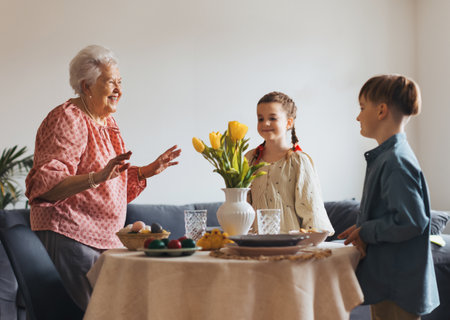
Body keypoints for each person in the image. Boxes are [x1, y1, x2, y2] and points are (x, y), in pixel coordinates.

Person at [25, 45, 181, 311]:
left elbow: (111, 184)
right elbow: (45, 187)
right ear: (86, 87)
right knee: (100, 313)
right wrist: (96, 177)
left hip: (103, 239)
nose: (119, 90)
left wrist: (145, 171)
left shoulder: (106, 122)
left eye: (120, 82)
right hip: (71, 235)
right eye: (111, 82)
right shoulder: (69, 119)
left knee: (116, 311)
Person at [338, 75, 439, 319]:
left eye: (362, 108)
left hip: (397, 286)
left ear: (381, 110)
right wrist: (361, 228)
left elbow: (412, 221)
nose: (358, 116)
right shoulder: (388, 157)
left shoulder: (395, 161)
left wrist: (366, 231)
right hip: (388, 281)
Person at [245, 91, 334, 235]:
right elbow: (243, 205)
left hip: (291, 244)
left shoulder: (299, 161)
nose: (265, 123)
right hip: (255, 242)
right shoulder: (249, 158)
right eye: (260, 119)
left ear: (289, 122)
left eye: (272, 118)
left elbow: (310, 208)